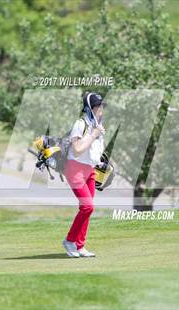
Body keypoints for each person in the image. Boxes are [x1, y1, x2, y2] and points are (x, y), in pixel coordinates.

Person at [62, 92, 106, 258]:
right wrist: (93, 134)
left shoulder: (97, 125)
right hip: (75, 169)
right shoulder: (80, 124)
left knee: (86, 209)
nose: (102, 109)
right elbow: (78, 149)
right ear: (91, 108)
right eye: (99, 106)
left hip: (90, 170)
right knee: (88, 207)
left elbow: (94, 151)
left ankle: (80, 246)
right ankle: (69, 240)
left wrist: (101, 162)